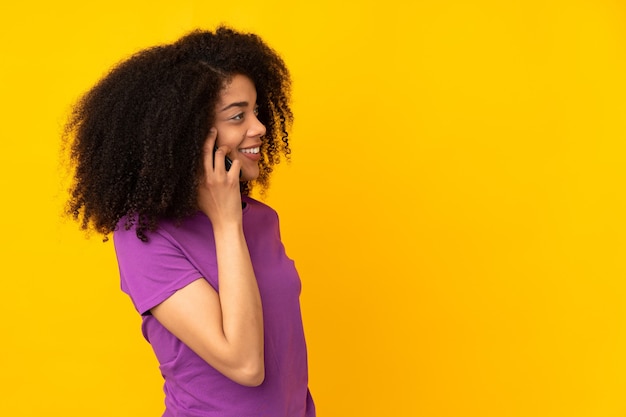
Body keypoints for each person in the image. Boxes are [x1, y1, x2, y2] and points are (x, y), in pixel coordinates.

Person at [63, 26, 315, 417]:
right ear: (189, 134)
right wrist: (227, 223)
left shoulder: (264, 221)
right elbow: (246, 364)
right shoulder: (144, 237)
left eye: (257, 111)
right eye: (238, 116)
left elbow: (288, 368)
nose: (260, 127)